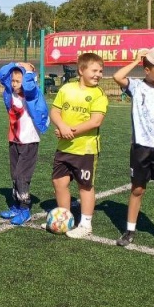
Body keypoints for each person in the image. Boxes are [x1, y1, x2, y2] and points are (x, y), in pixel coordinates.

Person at [112, 47, 154, 248]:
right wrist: (135, 60)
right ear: (147, 69)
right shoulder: (136, 86)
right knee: (137, 189)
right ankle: (129, 231)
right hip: (141, 148)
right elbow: (117, 76)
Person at [49, 53, 108, 238]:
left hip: (86, 150)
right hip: (64, 147)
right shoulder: (66, 89)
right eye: (94, 70)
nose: (98, 74)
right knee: (59, 182)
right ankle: (65, 219)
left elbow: (95, 122)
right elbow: (55, 112)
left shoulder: (98, 94)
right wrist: (62, 126)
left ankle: (86, 225)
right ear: (81, 70)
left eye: (101, 71)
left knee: (85, 186)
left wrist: (69, 132)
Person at [0, 60, 49, 225]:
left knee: (21, 175)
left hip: (29, 141)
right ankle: (16, 206)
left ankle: (25, 209)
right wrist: (15, 64)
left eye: (18, 81)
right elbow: (1, 73)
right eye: (13, 80)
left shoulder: (32, 95)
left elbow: (29, 84)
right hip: (14, 140)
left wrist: (29, 71)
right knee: (14, 175)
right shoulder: (9, 93)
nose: (14, 83)